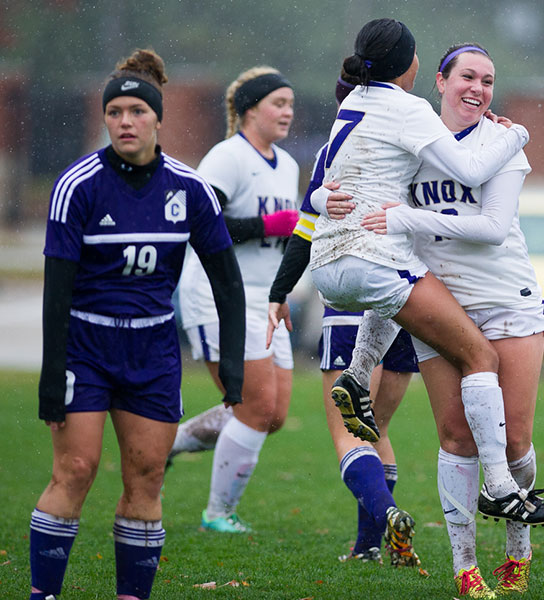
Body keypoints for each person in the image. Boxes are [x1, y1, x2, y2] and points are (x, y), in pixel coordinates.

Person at [290, 18, 544, 531]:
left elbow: (319, 188)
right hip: (369, 256)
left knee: (404, 282)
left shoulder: (354, 103)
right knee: (476, 355)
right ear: (423, 71)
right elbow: (472, 172)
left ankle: (354, 374)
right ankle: (501, 488)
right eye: (467, 77)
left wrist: (326, 198)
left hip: (329, 262)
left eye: (488, 81)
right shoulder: (412, 113)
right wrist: (519, 133)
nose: (479, 89)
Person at [30, 49, 244, 600]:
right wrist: (52, 374)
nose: (125, 121)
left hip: (152, 352)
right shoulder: (77, 186)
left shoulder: (188, 188)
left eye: (137, 111)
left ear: (157, 118)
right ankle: (43, 594)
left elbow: (228, 282)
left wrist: (233, 363)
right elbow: (56, 291)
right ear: (105, 118)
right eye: (115, 111)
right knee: (75, 469)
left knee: (146, 478)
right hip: (86, 344)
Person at [265, 72, 423, 568]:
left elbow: (306, 230)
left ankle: (387, 517)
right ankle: (368, 545)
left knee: (350, 434)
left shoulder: (337, 155)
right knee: (378, 430)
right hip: (405, 300)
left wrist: (279, 290)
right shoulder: (412, 141)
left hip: (354, 299)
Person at [174, 66, 299, 534]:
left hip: (265, 301)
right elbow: (198, 223)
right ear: (249, 110)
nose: (288, 112)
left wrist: (283, 291)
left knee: (275, 415)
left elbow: (286, 237)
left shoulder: (285, 164)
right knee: (254, 407)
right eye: (278, 103)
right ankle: (217, 514)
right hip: (218, 295)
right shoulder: (226, 157)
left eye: (290, 104)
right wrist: (266, 226)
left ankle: (173, 442)